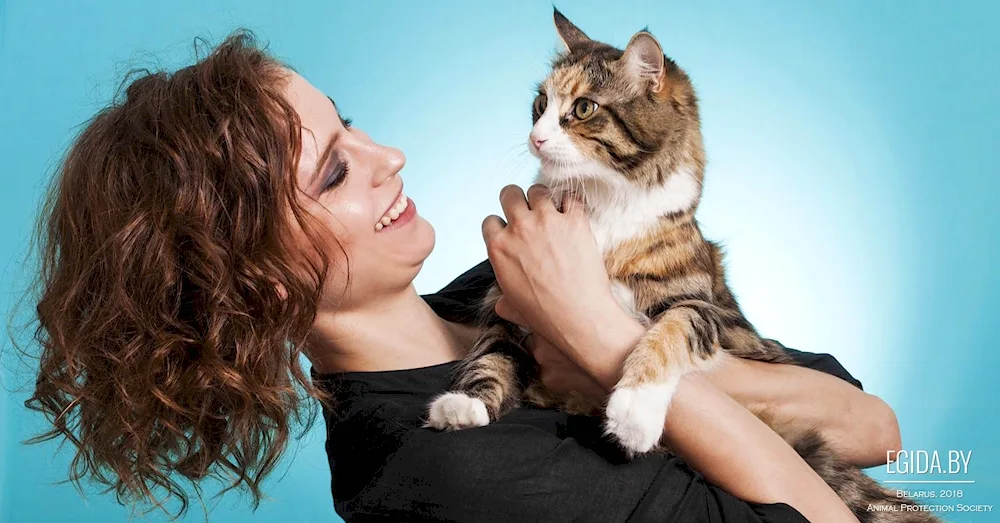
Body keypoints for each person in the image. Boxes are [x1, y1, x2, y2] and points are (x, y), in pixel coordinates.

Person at [25, 30, 900, 522]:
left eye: (353, 126)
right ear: (255, 281)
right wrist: (607, 340)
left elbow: (871, 425)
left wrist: (614, 339)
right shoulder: (438, 476)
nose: (391, 157)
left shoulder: (508, 280)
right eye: (334, 170)